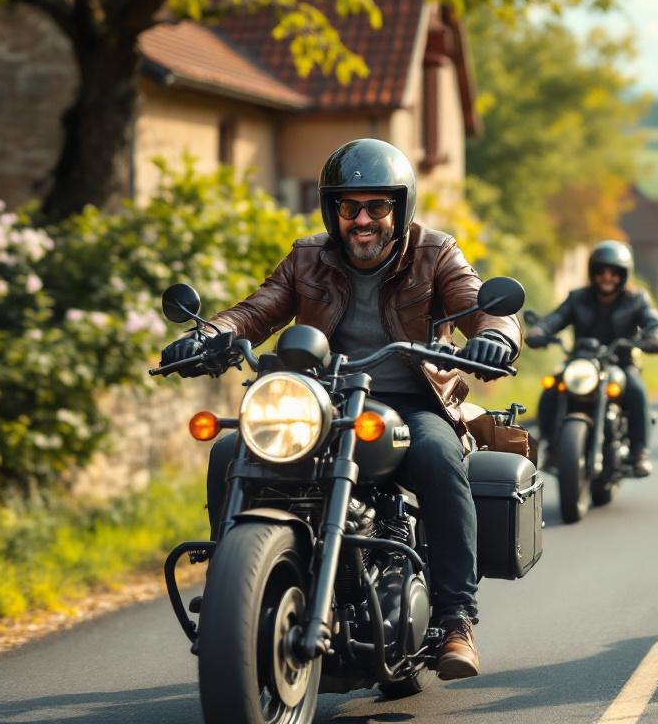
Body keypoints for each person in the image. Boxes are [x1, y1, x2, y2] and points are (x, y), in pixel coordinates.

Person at [159, 138, 519, 680]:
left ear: (400, 209)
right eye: (350, 207)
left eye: (377, 206)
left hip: (407, 403)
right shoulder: (308, 256)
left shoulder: (434, 251)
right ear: (334, 211)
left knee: (442, 458)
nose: (363, 220)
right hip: (320, 400)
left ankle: (455, 620)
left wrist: (496, 337)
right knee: (232, 447)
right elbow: (258, 310)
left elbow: (478, 306)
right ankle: (231, 590)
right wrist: (213, 335)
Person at [526, 241, 658, 477]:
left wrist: (656, 335)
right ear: (593, 272)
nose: (607, 277)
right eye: (601, 271)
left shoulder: (637, 299)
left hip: (620, 362)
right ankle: (551, 448)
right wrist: (540, 331)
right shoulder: (578, 298)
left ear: (624, 274)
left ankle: (639, 452)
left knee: (636, 390)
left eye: (614, 272)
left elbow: (653, 321)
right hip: (581, 362)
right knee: (551, 389)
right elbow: (556, 318)